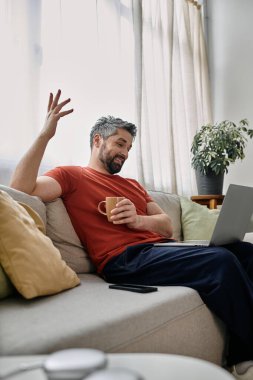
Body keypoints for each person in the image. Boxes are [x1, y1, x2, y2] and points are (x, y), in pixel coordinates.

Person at [10, 90, 253, 380]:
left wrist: (138, 220)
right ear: (97, 140)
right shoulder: (72, 175)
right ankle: (246, 355)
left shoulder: (133, 185)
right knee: (221, 261)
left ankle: (240, 353)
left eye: (129, 147)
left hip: (157, 249)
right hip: (123, 261)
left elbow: (165, 226)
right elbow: (21, 188)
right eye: (120, 144)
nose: (125, 152)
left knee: (245, 252)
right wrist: (44, 135)